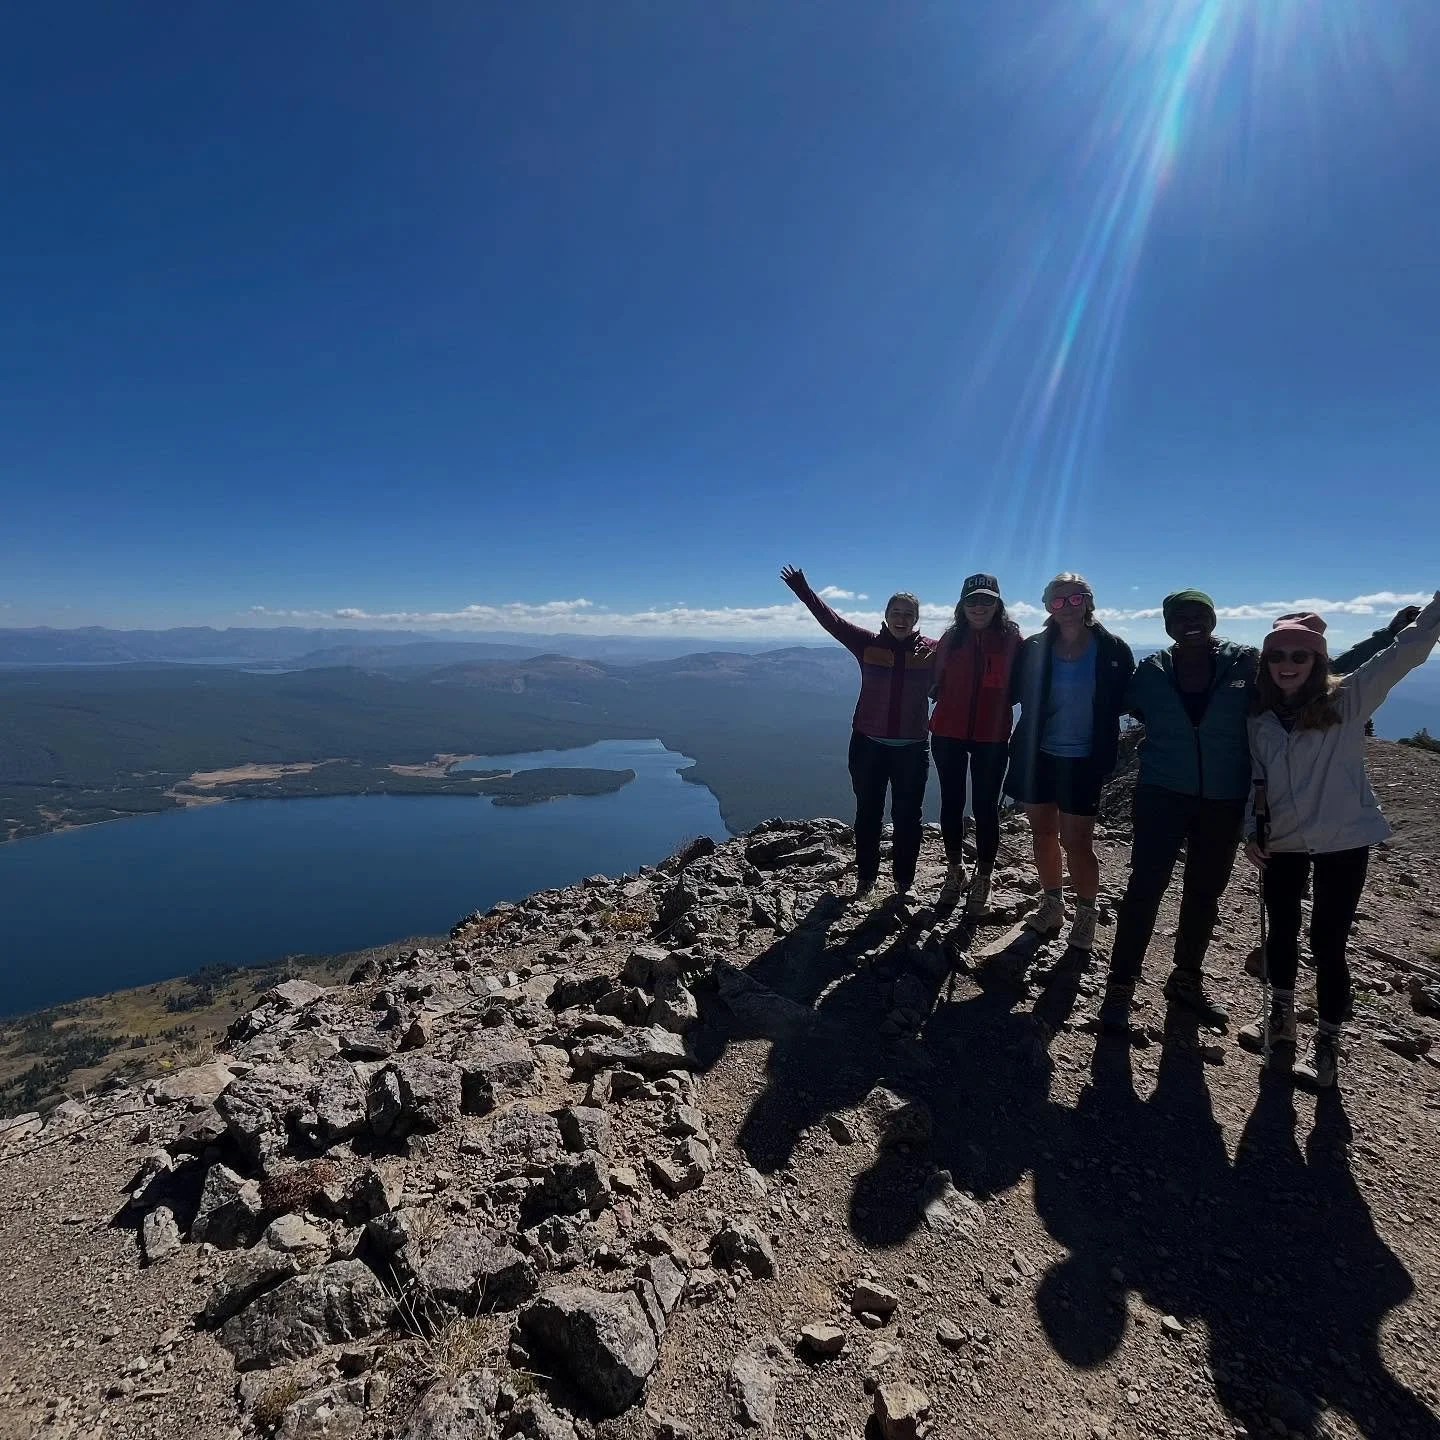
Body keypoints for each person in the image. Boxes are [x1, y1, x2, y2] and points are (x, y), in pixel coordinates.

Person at [1099, 593, 1416, 1033]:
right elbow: (1107, 700)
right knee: (1144, 888)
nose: (1190, 623)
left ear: (1213, 618)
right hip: (1161, 792)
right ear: (1168, 624)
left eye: (1199, 615)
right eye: (1180, 617)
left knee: (1203, 892)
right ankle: (1121, 982)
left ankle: (1186, 978)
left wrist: (1388, 634)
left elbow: (1324, 669)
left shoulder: (1245, 662)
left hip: (1224, 798)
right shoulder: (1150, 672)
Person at [1240, 593, 1440, 1087]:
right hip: (1281, 838)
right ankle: (1283, 1019)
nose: (1288, 665)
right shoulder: (1259, 718)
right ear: (1266, 663)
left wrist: (1436, 610)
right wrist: (1251, 830)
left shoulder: (1348, 700)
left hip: (1344, 838)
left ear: (1318, 660)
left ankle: (1327, 1042)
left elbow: (1404, 653)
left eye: (1299, 655)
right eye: (1278, 656)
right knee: (1281, 931)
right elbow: (1255, 780)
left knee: (1328, 940)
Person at [781, 565, 937, 904]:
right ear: (885, 615)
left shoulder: (931, 651)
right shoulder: (867, 643)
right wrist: (802, 588)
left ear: (917, 619)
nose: (901, 618)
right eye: (896, 612)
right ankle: (866, 879)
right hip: (867, 744)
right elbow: (832, 621)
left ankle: (903, 883)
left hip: (912, 747)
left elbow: (963, 650)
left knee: (908, 816)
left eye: (907, 614)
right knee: (868, 812)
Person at [1006, 573, 1135, 951]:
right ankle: (1052, 903)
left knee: (1077, 842)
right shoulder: (1034, 647)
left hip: (1084, 759)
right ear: (1047, 606)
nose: (1066, 608)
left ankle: (1086, 911)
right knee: (1042, 833)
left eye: (1074, 599)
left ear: (1088, 602)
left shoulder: (1113, 650)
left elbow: (1128, 698)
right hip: (1040, 754)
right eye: (1057, 601)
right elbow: (1010, 691)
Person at [929, 573, 1021, 913]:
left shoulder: (1012, 639)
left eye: (986, 600)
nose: (979, 606)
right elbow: (932, 680)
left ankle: (984, 876)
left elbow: (1022, 684)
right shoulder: (950, 639)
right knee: (951, 803)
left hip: (992, 736)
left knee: (985, 808)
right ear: (961, 604)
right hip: (947, 732)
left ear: (998, 604)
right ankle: (956, 870)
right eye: (972, 600)